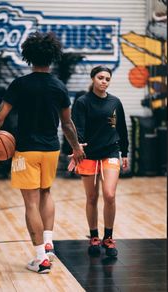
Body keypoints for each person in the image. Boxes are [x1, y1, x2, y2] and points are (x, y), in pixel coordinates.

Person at [0, 31, 85, 273]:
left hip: (26, 151)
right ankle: (48, 244)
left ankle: (41, 259)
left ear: (28, 55)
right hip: (50, 150)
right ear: (53, 56)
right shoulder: (59, 86)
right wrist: (77, 147)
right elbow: (68, 124)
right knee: (46, 193)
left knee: (30, 204)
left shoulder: (20, 84)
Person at [68, 65, 129, 257]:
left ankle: (108, 237)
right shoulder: (82, 102)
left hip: (111, 151)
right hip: (88, 154)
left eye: (107, 79)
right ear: (93, 78)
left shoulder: (115, 102)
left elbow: (122, 129)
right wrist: (77, 148)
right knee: (92, 197)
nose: (104, 81)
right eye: (100, 78)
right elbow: (77, 128)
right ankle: (94, 236)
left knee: (109, 195)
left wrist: (125, 152)